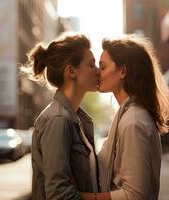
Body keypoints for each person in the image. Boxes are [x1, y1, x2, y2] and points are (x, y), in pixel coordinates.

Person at [80, 35, 169, 200]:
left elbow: (135, 195)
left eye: (102, 67)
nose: (97, 73)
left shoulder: (133, 122)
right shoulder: (127, 115)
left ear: (122, 71)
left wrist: (81, 198)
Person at [27, 33, 100, 200]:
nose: (98, 71)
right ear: (71, 71)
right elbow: (59, 195)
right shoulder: (58, 120)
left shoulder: (76, 119)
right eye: (91, 65)